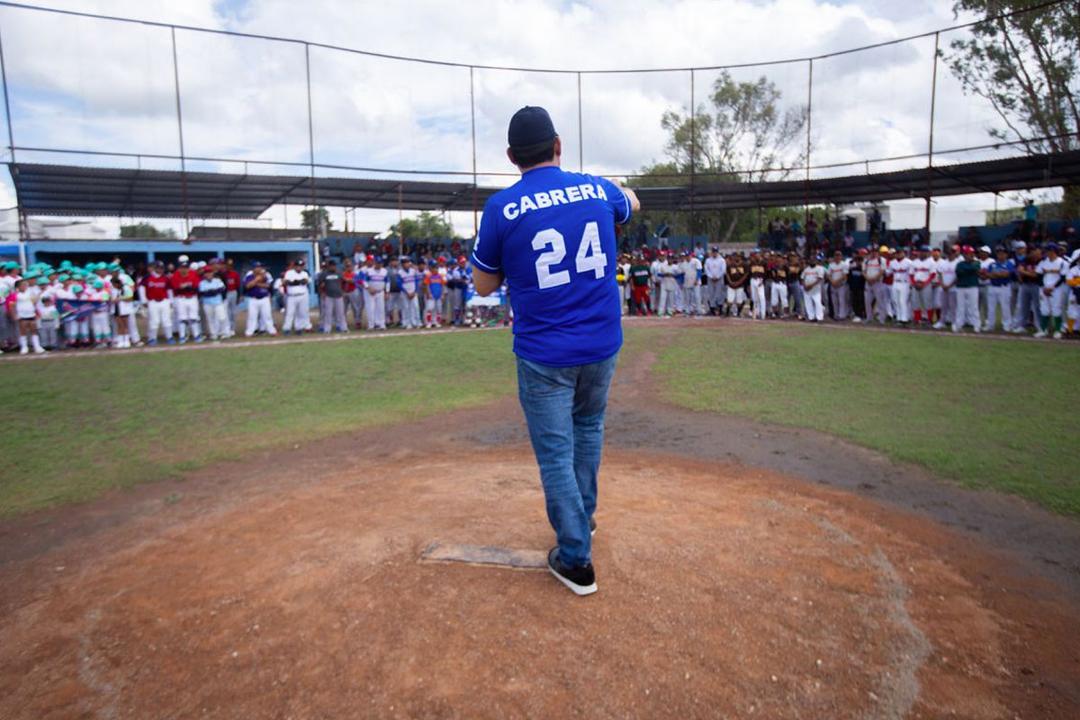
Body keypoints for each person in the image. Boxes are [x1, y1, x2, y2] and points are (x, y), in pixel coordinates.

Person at [469, 105, 639, 596]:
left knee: (556, 451)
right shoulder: (597, 188)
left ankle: (576, 558)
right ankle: (582, 520)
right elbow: (631, 203)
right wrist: (620, 194)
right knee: (588, 430)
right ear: (558, 145)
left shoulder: (502, 207)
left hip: (544, 352)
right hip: (602, 343)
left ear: (511, 156)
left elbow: (482, 285)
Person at [1035, 243, 1069, 339]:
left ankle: (1058, 330)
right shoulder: (1043, 262)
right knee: (1044, 309)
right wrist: (1043, 287)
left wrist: (1052, 287)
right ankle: (1043, 330)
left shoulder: (1062, 263)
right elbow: (1038, 275)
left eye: (1049, 250)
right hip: (1044, 289)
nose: (1047, 252)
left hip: (1057, 289)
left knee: (1056, 309)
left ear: (1054, 251)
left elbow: (1063, 277)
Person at [139, 262, 174, 345]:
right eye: (159, 268)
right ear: (155, 268)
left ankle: (169, 337)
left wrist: (171, 301)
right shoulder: (147, 278)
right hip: (152, 301)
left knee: (167, 320)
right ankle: (152, 338)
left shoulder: (166, 278)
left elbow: (169, 290)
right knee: (154, 321)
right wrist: (144, 300)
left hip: (164, 301)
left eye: (162, 268)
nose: (160, 270)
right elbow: (141, 288)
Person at [170, 256, 203, 343]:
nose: (184, 269)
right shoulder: (175, 275)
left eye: (186, 267)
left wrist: (185, 287)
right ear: (179, 268)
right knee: (182, 318)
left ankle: (196, 335)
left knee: (194, 317)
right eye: (182, 267)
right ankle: (182, 336)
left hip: (192, 298)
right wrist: (186, 287)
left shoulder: (193, 273)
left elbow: (195, 287)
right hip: (181, 298)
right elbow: (176, 288)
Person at [984, 246, 1015, 332]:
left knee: (1005, 307)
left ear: (1006, 254)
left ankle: (1007, 325)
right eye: (999, 253)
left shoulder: (1009, 263)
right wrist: (998, 274)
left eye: (1003, 253)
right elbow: (988, 275)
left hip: (1004, 287)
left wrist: (995, 274)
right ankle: (990, 325)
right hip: (993, 287)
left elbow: (1006, 274)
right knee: (991, 307)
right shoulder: (992, 264)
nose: (1001, 255)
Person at [952, 246, 981, 333]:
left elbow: (975, 269)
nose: (971, 255)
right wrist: (970, 269)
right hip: (961, 287)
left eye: (972, 253)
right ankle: (958, 325)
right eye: (968, 254)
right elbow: (959, 272)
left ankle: (976, 325)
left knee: (973, 307)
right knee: (960, 307)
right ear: (964, 255)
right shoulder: (960, 264)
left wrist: (969, 269)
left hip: (973, 287)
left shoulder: (977, 262)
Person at [243, 263, 277, 336]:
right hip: (253, 299)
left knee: (267, 316)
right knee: (252, 316)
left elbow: (268, 286)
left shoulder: (265, 276)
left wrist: (256, 284)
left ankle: (272, 331)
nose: (258, 268)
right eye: (256, 267)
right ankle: (249, 332)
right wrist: (256, 280)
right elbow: (247, 286)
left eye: (259, 267)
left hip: (264, 298)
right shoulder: (249, 276)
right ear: (253, 269)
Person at [317, 260, 347, 333]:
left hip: (338, 295)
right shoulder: (324, 274)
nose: (333, 267)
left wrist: (344, 291)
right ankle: (327, 329)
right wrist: (322, 293)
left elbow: (344, 282)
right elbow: (319, 284)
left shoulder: (339, 273)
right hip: (328, 296)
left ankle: (344, 328)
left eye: (334, 266)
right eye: (332, 266)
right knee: (328, 313)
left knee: (340, 313)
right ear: (329, 266)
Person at [198, 268, 229, 341]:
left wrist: (211, 291)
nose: (208, 274)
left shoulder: (217, 280)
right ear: (205, 275)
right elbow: (203, 293)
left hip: (218, 303)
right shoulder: (202, 283)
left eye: (210, 272)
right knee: (210, 319)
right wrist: (213, 291)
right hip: (207, 304)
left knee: (222, 317)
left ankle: (224, 333)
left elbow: (222, 289)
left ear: (212, 273)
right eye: (207, 273)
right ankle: (213, 334)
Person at [282, 260, 311, 335]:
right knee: (290, 313)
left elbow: (305, 281)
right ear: (294, 266)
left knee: (301, 313)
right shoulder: (289, 273)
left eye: (301, 266)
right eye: (298, 266)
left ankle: (298, 328)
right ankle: (287, 329)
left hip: (303, 295)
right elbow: (286, 282)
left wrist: (295, 282)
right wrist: (295, 282)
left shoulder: (304, 273)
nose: (299, 267)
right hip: (292, 296)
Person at [909, 246, 936, 326]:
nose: (922, 253)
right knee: (915, 302)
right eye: (921, 251)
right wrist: (914, 283)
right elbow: (911, 274)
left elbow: (932, 275)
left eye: (924, 251)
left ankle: (929, 320)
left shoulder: (931, 262)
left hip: (926, 285)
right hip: (916, 284)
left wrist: (924, 284)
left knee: (928, 302)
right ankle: (917, 319)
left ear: (928, 253)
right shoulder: (915, 262)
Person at [887, 247, 913, 324]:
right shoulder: (892, 262)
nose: (898, 254)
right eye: (897, 253)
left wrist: (911, 284)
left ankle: (904, 319)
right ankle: (899, 318)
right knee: (895, 301)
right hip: (895, 283)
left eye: (900, 253)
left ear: (904, 253)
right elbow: (888, 272)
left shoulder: (909, 262)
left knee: (903, 301)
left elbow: (911, 274)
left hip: (905, 283)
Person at [364, 255, 388, 330]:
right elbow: (364, 281)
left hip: (380, 292)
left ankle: (381, 324)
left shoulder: (384, 271)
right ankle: (371, 325)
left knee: (381, 309)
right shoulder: (369, 271)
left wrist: (387, 292)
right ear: (374, 263)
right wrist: (369, 288)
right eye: (378, 263)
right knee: (370, 309)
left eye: (380, 263)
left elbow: (387, 282)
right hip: (370, 292)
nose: (379, 264)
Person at [801, 254, 826, 322]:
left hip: (816, 290)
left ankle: (819, 317)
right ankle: (811, 317)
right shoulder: (806, 269)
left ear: (816, 261)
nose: (812, 261)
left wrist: (811, 285)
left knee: (818, 303)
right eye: (811, 260)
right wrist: (805, 286)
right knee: (808, 304)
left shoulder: (820, 268)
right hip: (807, 290)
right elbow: (802, 278)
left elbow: (819, 279)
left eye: (813, 260)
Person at [399, 257, 422, 329]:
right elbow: (399, 284)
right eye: (405, 263)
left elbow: (416, 282)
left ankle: (417, 322)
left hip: (413, 292)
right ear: (402, 264)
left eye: (408, 262)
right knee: (406, 307)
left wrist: (415, 291)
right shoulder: (400, 272)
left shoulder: (413, 271)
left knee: (415, 307)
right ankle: (407, 323)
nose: (407, 264)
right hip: (405, 293)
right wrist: (407, 293)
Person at [827, 250, 850, 320]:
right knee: (834, 301)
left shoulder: (844, 264)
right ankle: (836, 315)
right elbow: (828, 275)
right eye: (836, 255)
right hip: (833, 285)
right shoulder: (831, 265)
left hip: (841, 285)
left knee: (842, 300)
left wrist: (836, 282)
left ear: (841, 256)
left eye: (839, 255)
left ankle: (842, 315)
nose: (837, 257)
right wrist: (832, 282)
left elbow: (845, 275)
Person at [704, 247, 726, 315]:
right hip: (710, 279)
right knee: (711, 294)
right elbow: (706, 269)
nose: (714, 253)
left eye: (716, 251)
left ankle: (720, 309)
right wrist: (711, 276)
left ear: (717, 252)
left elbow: (723, 270)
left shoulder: (722, 260)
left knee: (719, 294)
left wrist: (717, 277)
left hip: (719, 279)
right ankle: (712, 309)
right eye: (713, 251)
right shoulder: (708, 260)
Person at [747, 252, 767, 320]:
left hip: (760, 280)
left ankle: (763, 314)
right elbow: (749, 273)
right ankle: (756, 313)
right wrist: (749, 284)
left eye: (758, 254)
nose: (757, 256)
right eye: (756, 255)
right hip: (753, 280)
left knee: (761, 297)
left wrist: (763, 280)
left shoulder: (764, 263)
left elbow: (766, 273)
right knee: (754, 298)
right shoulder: (752, 263)